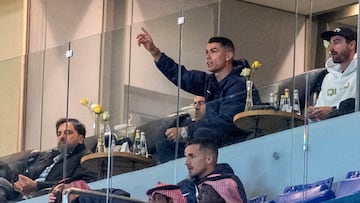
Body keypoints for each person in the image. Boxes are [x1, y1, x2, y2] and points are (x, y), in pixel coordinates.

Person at [137, 27, 261, 162]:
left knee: (202, 133)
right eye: (206, 52)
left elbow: (228, 121)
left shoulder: (239, 84)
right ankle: (180, 181)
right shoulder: (209, 82)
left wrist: (187, 131)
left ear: (228, 55)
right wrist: (154, 52)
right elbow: (182, 76)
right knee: (165, 146)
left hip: (232, 143)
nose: (208, 56)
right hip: (212, 142)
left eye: (214, 51)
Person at [0, 118, 97, 201]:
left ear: (81, 138)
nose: (62, 137)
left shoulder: (84, 157)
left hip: (46, 194)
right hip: (22, 194)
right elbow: (26, 174)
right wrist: (18, 184)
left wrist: (37, 185)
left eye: (67, 133)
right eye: (59, 134)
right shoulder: (49, 157)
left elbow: (77, 183)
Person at [177, 135, 247, 203]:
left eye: (192, 156)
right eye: (186, 157)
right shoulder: (188, 184)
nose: (186, 162)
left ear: (208, 159)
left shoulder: (216, 188)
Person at [308, 27, 357, 121]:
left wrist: (334, 111)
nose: (331, 48)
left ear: (351, 45)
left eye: (336, 42)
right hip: (328, 132)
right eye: (330, 43)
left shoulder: (357, 74)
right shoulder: (328, 78)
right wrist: (313, 114)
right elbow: (320, 107)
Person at [156, 96, 206, 163]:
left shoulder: (212, 125)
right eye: (195, 103)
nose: (196, 107)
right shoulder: (186, 123)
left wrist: (184, 133)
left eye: (201, 103)